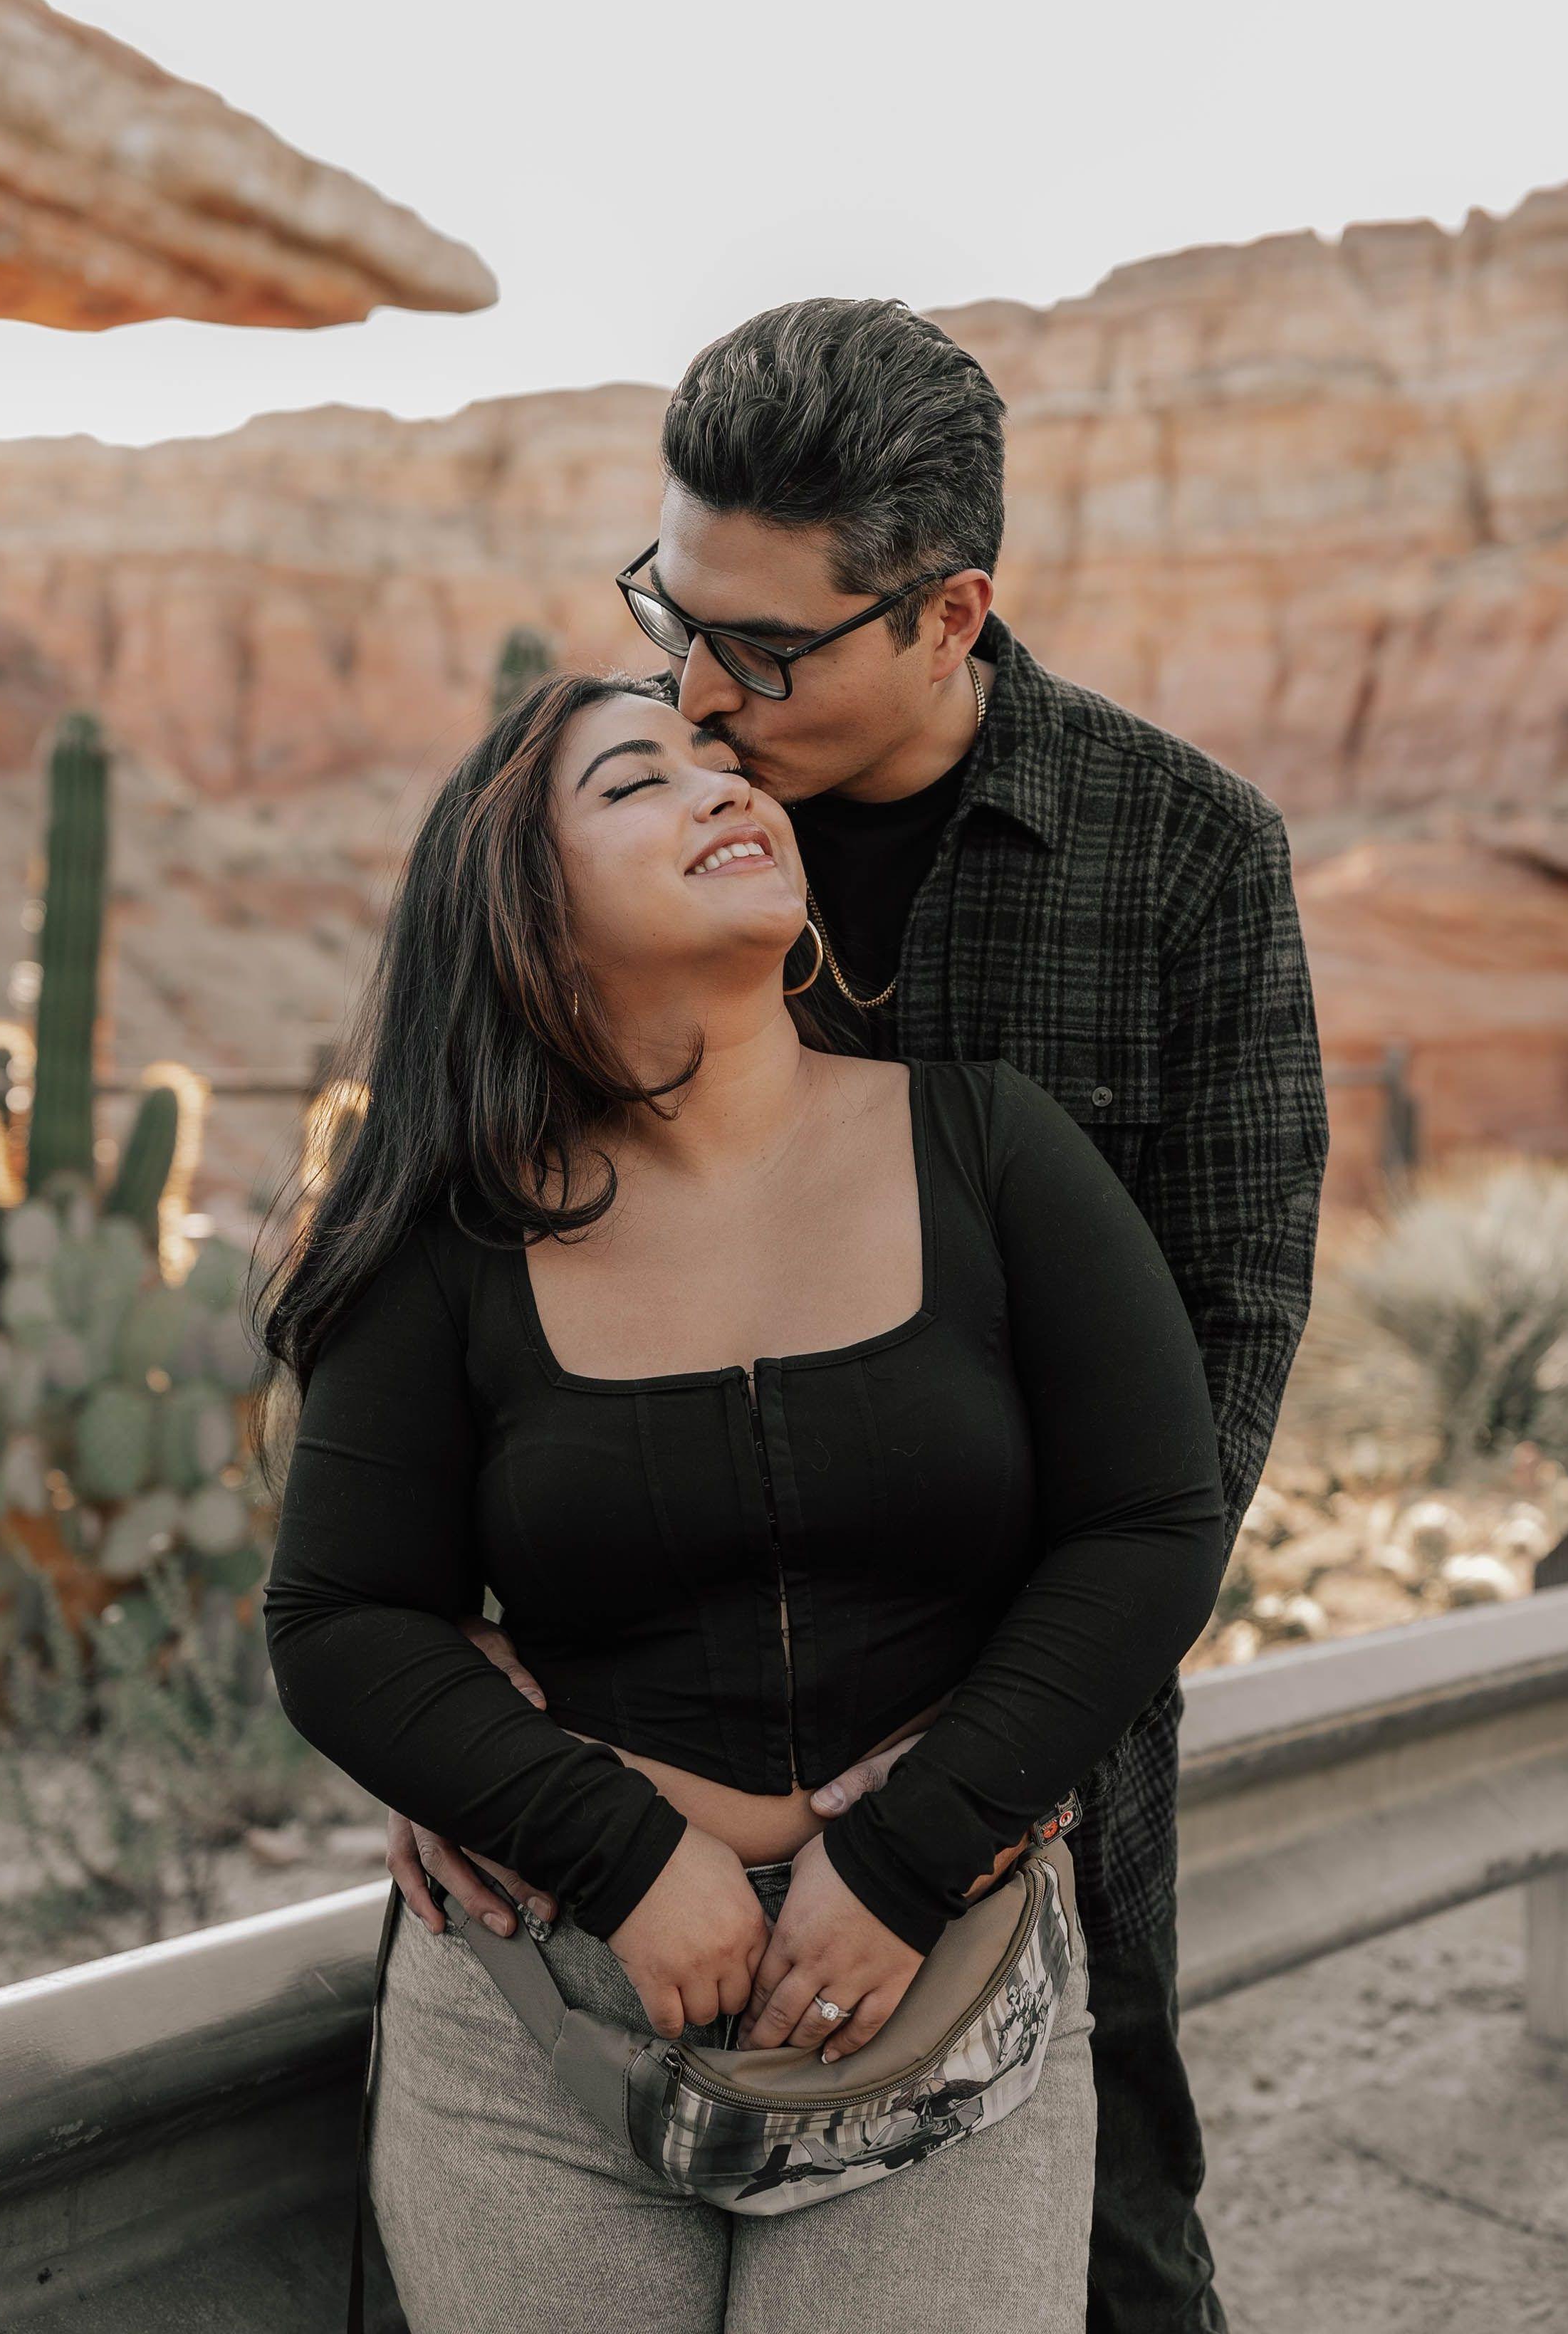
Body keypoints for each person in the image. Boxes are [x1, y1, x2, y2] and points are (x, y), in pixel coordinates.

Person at [378, 299, 1331, 2334]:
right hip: (615, 1807)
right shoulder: (630, 834)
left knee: (1122, 2269)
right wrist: (442, 1698)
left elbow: (1223, 1362)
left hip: (1029, 1776)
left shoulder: (1181, 859)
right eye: (671, 611)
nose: (698, 693)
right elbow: (449, 1260)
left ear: (948, 612)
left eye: (765, 647)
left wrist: (960, 1781)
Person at [260, 674, 1230, 2334]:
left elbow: (1151, 1525)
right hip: (544, 2021)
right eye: (638, 782)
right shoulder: (446, 1239)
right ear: (527, 911)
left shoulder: (991, 1146)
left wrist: (909, 1857)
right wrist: (625, 1859)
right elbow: (341, 1617)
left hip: (935, 1988)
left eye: (725, 764)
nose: (727, 790)